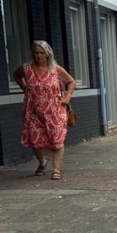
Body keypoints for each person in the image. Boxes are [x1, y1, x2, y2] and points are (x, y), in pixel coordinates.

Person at [13, 41, 74, 180]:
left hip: (55, 110)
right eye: (36, 52)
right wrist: (25, 88)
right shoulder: (26, 69)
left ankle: (56, 169)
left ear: (48, 54)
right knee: (34, 140)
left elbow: (71, 82)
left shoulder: (55, 69)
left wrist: (68, 96)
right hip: (33, 111)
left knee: (57, 139)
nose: (39, 56)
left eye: (42, 53)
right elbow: (16, 75)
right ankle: (42, 162)